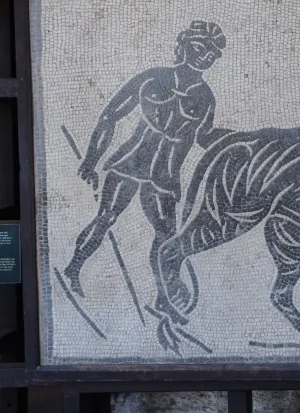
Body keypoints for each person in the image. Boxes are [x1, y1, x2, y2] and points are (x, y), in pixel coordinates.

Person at [64, 21, 230, 298]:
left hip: (164, 177)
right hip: (129, 164)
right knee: (106, 217)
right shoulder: (153, 78)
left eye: (212, 54)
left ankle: (164, 295)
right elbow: (110, 115)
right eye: (199, 47)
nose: (204, 57)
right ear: (184, 45)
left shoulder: (205, 97)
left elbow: (205, 137)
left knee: (167, 236)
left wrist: (240, 141)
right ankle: (73, 268)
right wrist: (91, 160)